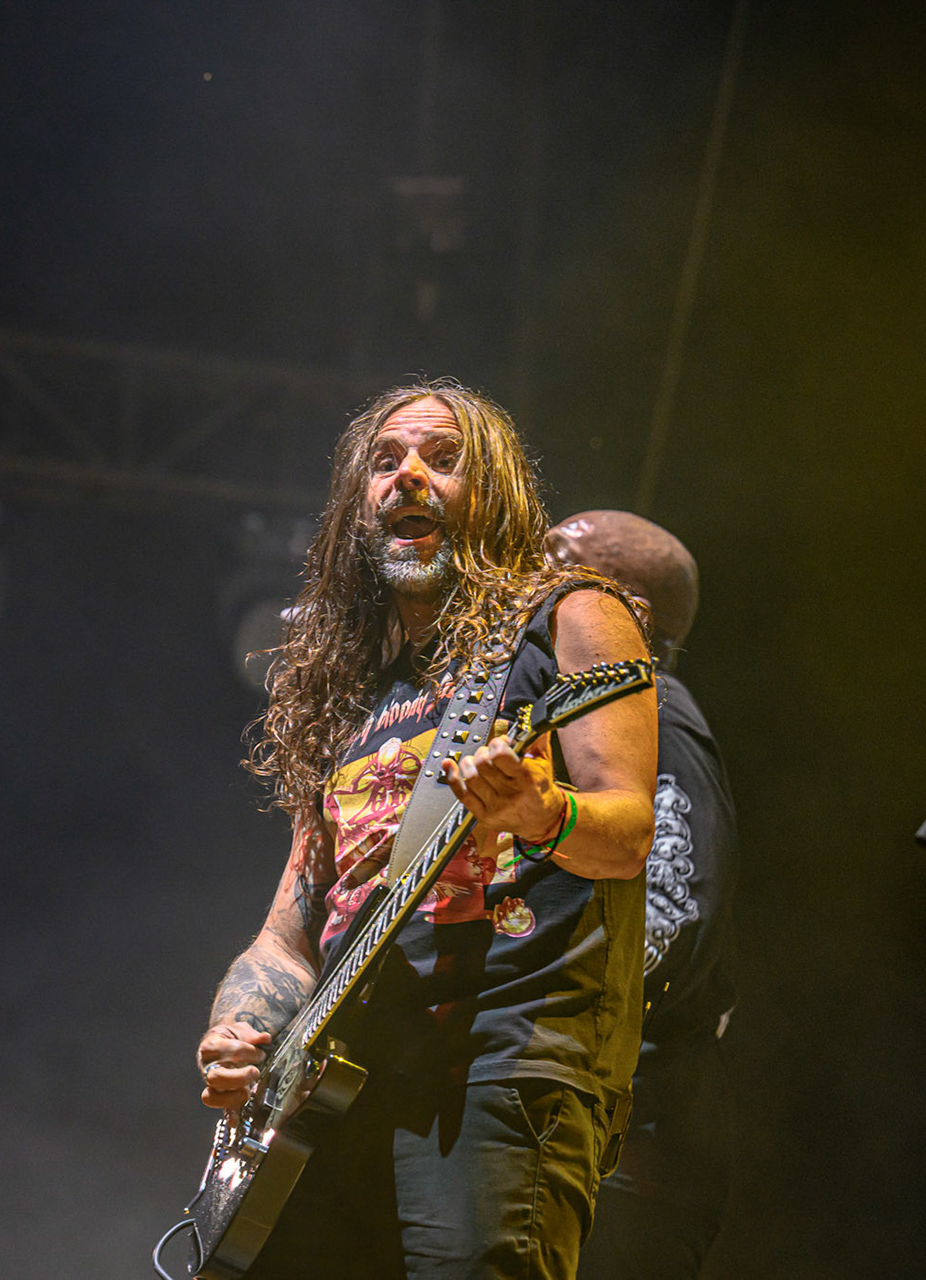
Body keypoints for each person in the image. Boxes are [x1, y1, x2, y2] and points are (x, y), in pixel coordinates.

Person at [196, 380, 658, 1279]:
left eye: (442, 459)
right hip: (345, 1080)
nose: (408, 476)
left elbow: (628, 831)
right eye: (385, 461)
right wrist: (237, 1027)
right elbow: (289, 936)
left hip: (499, 1064)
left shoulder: (572, 618)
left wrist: (537, 811)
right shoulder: (352, 695)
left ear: (496, 494)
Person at [549, 512, 736, 1280]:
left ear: (630, 611)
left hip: (624, 1163)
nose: (528, 583)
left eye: (555, 563)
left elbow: (670, 918)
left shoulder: (657, 711)